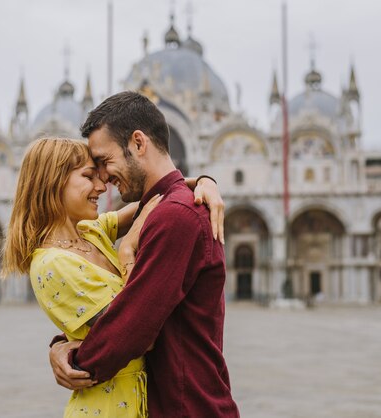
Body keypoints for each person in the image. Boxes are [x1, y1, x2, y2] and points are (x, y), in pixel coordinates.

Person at [0, 137, 223, 417]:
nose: (101, 186)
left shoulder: (92, 231)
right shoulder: (52, 264)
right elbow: (137, 331)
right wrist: (127, 250)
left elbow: (157, 197)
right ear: (53, 181)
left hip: (141, 399)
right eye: (89, 176)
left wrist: (205, 182)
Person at [49, 91, 240, 417]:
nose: (104, 179)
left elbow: (133, 323)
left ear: (138, 143)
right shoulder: (163, 206)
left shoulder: (175, 214)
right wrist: (59, 343)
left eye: (105, 161)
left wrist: (74, 361)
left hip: (187, 406)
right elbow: (116, 306)